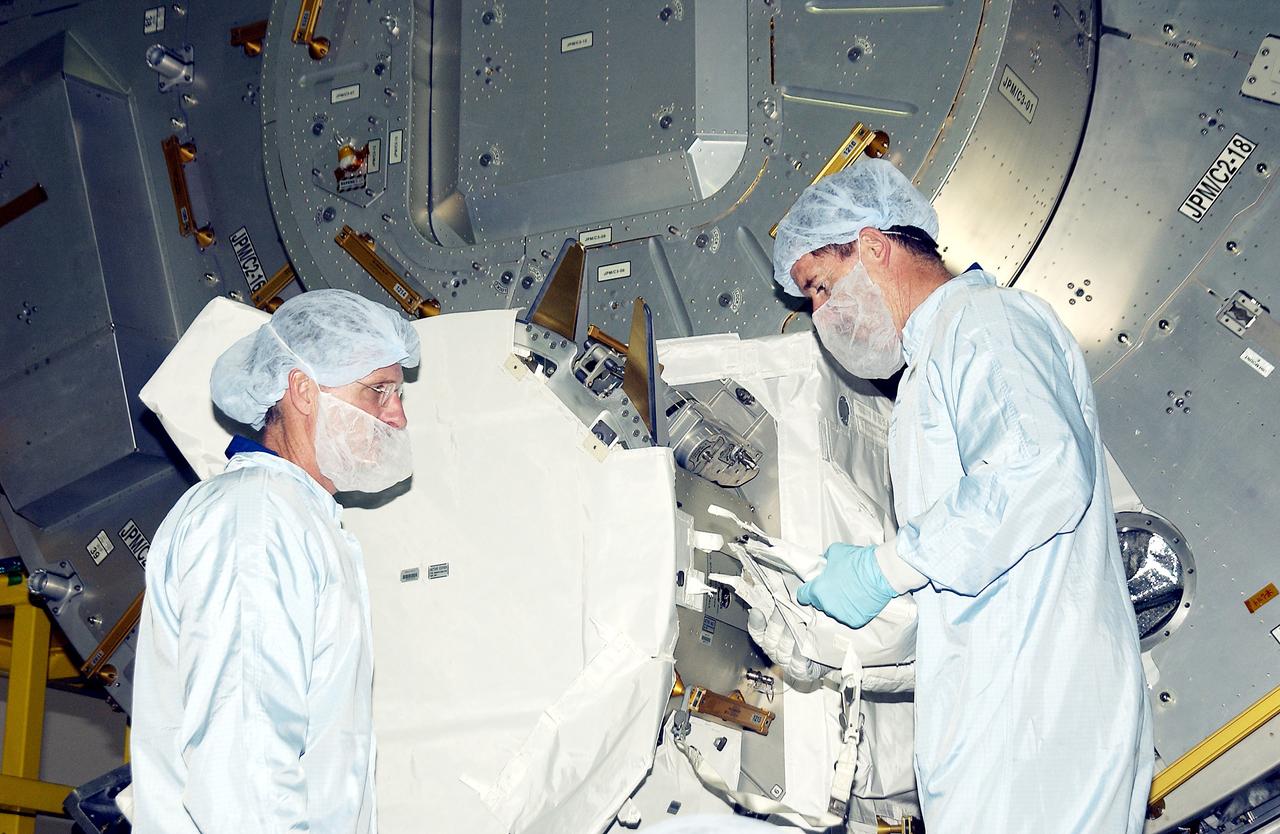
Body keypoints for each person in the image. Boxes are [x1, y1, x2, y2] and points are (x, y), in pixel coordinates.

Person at [769, 159, 1154, 832]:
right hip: (1007, 732)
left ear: (873, 247)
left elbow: (1040, 470)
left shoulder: (984, 324)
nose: (820, 317)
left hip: (1042, 732)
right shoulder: (932, 362)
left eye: (821, 288)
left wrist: (884, 570)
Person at [131, 289, 420, 833]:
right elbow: (246, 762)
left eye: (397, 393)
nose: (397, 415)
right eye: (377, 391)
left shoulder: (298, 518)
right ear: (302, 390)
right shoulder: (256, 522)